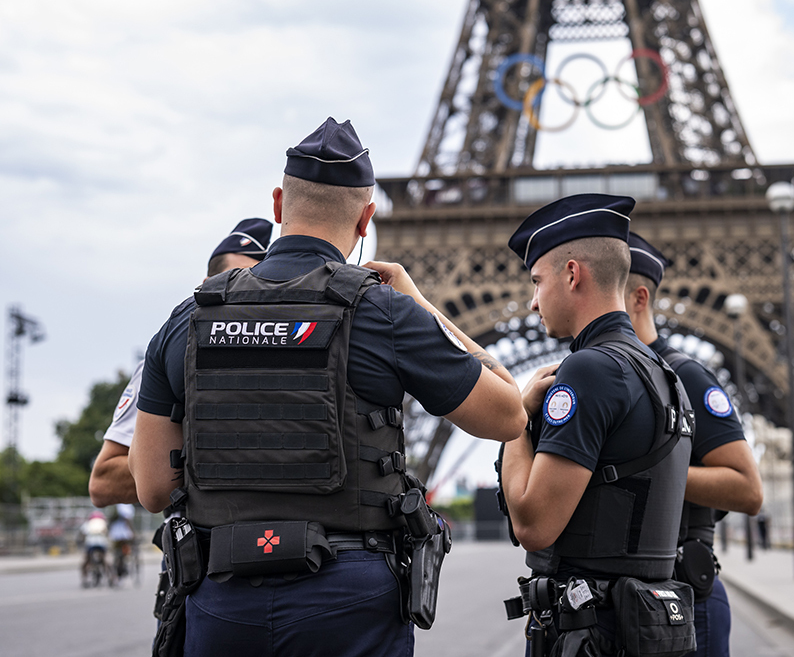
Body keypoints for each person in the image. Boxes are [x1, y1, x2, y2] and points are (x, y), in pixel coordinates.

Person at [130, 117, 526, 657]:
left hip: (221, 595)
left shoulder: (189, 318)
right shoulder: (384, 313)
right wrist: (422, 304)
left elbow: (153, 487)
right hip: (347, 599)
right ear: (367, 219)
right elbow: (509, 416)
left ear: (277, 204)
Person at [499, 194, 695, 656]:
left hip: (591, 635)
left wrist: (514, 419)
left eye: (536, 281)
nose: (531, 302)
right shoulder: (664, 374)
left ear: (572, 274)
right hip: (645, 630)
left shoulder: (590, 370)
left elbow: (533, 525)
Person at [624, 233, 764, 657]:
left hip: (684, 601)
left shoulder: (687, 376)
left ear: (638, 298)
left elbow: (747, 489)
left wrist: (642, 475)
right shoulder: (603, 378)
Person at [88, 218, 274, 508]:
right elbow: (102, 483)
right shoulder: (171, 357)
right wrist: (202, 456)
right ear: (205, 287)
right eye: (234, 281)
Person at [79, 510, 111, 585]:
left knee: (86, 561)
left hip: (90, 544)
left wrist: (82, 542)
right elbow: (107, 534)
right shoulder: (103, 523)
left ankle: (84, 579)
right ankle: (111, 577)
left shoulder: (87, 524)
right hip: (101, 544)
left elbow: (82, 535)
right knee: (105, 560)